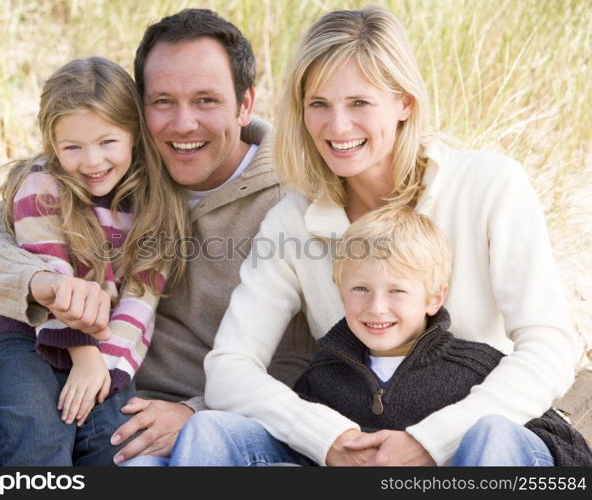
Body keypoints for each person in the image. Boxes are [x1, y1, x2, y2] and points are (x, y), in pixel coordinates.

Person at [0, 9, 314, 466]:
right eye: (163, 101)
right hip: (62, 376)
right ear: (137, 111)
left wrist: (195, 412)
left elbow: (302, 364)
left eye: (206, 100)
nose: (183, 124)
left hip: (156, 421)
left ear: (245, 103)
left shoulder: (296, 200)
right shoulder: (110, 168)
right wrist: (40, 283)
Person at [179, 6, 579, 466]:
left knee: (493, 439)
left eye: (359, 103)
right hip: (357, 448)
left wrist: (432, 441)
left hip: (477, 441)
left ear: (405, 102)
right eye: (319, 105)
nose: (337, 127)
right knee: (210, 432)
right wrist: (326, 437)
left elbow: (550, 346)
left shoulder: (489, 186)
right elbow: (229, 370)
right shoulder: (294, 220)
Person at [0, 56, 189, 466]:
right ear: (53, 144)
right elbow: (54, 280)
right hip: (28, 341)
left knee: (115, 445)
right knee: (39, 440)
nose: (92, 162)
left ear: (134, 134)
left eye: (107, 142)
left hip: (105, 350)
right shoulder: (41, 185)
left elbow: (140, 301)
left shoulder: (155, 204)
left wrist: (103, 369)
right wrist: (83, 357)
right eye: (73, 147)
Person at [292, 206, 590, 466]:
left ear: (435, 298)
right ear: (340, 291)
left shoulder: (476, 368)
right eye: (361, 289)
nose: (377, 308)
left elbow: (568, 448)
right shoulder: (321, 378)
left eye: (397, 291)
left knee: (493, 432)